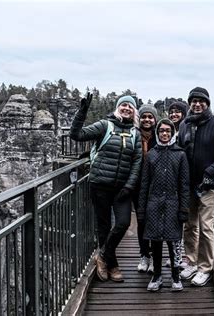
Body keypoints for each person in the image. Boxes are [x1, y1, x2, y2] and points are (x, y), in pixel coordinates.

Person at [70, 94, 142, 283]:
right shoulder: (105, 125)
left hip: (122, 188)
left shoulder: (135, 133)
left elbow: (137, 162)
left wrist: (129, 185)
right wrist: (82, 112)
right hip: (100, 184)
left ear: (134, 112)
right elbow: (76, 135)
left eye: (130, 106)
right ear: (118, 107)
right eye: (123, 105)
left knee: (123, 223)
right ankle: (112, 264)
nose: (127, 108)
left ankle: (102, 256)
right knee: (104, 227)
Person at [178, 87, 214, 286]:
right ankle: (191, 261)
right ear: (190, 103)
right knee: (190, 225)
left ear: (207, 103)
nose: (197, 104)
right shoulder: (185, 125)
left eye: (201, 101)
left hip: (209, 186)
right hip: (189, 184)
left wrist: (211, 170)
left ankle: (205, 268)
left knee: (206, 227)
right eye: (193, 101)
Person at [137, 118, 190, 292]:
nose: (165, 134)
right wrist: (142, 210)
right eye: (161, 131)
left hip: (173, 205)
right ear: (157, 133)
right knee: (156, 243)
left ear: (173, 132)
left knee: (174, 243)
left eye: (168, 130)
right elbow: (144, 184)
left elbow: (184, 185)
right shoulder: (151, 154)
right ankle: (157, 276)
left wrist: (183, 209)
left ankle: (175, 277)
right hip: (154, 205)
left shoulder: (180, 154)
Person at [133, 105, 158, 273]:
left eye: (150, 117)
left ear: (155, 119)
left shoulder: (160, 136)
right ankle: (144, 255)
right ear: (139, 119)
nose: (147, 120)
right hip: (137, 185)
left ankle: (155, 257)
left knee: (155, 221)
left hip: (156, 186)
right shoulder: (133, 136)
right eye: (144, 117)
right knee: (142, 220)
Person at [164, 100, 188, 269]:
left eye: (177, 111)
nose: (174, 114)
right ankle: (174, 255)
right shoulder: (167, 130)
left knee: (182, 221)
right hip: (167, 181)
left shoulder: (187, 130)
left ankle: (180, 256)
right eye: (171, 111)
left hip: (182, 180)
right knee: (172, 220)